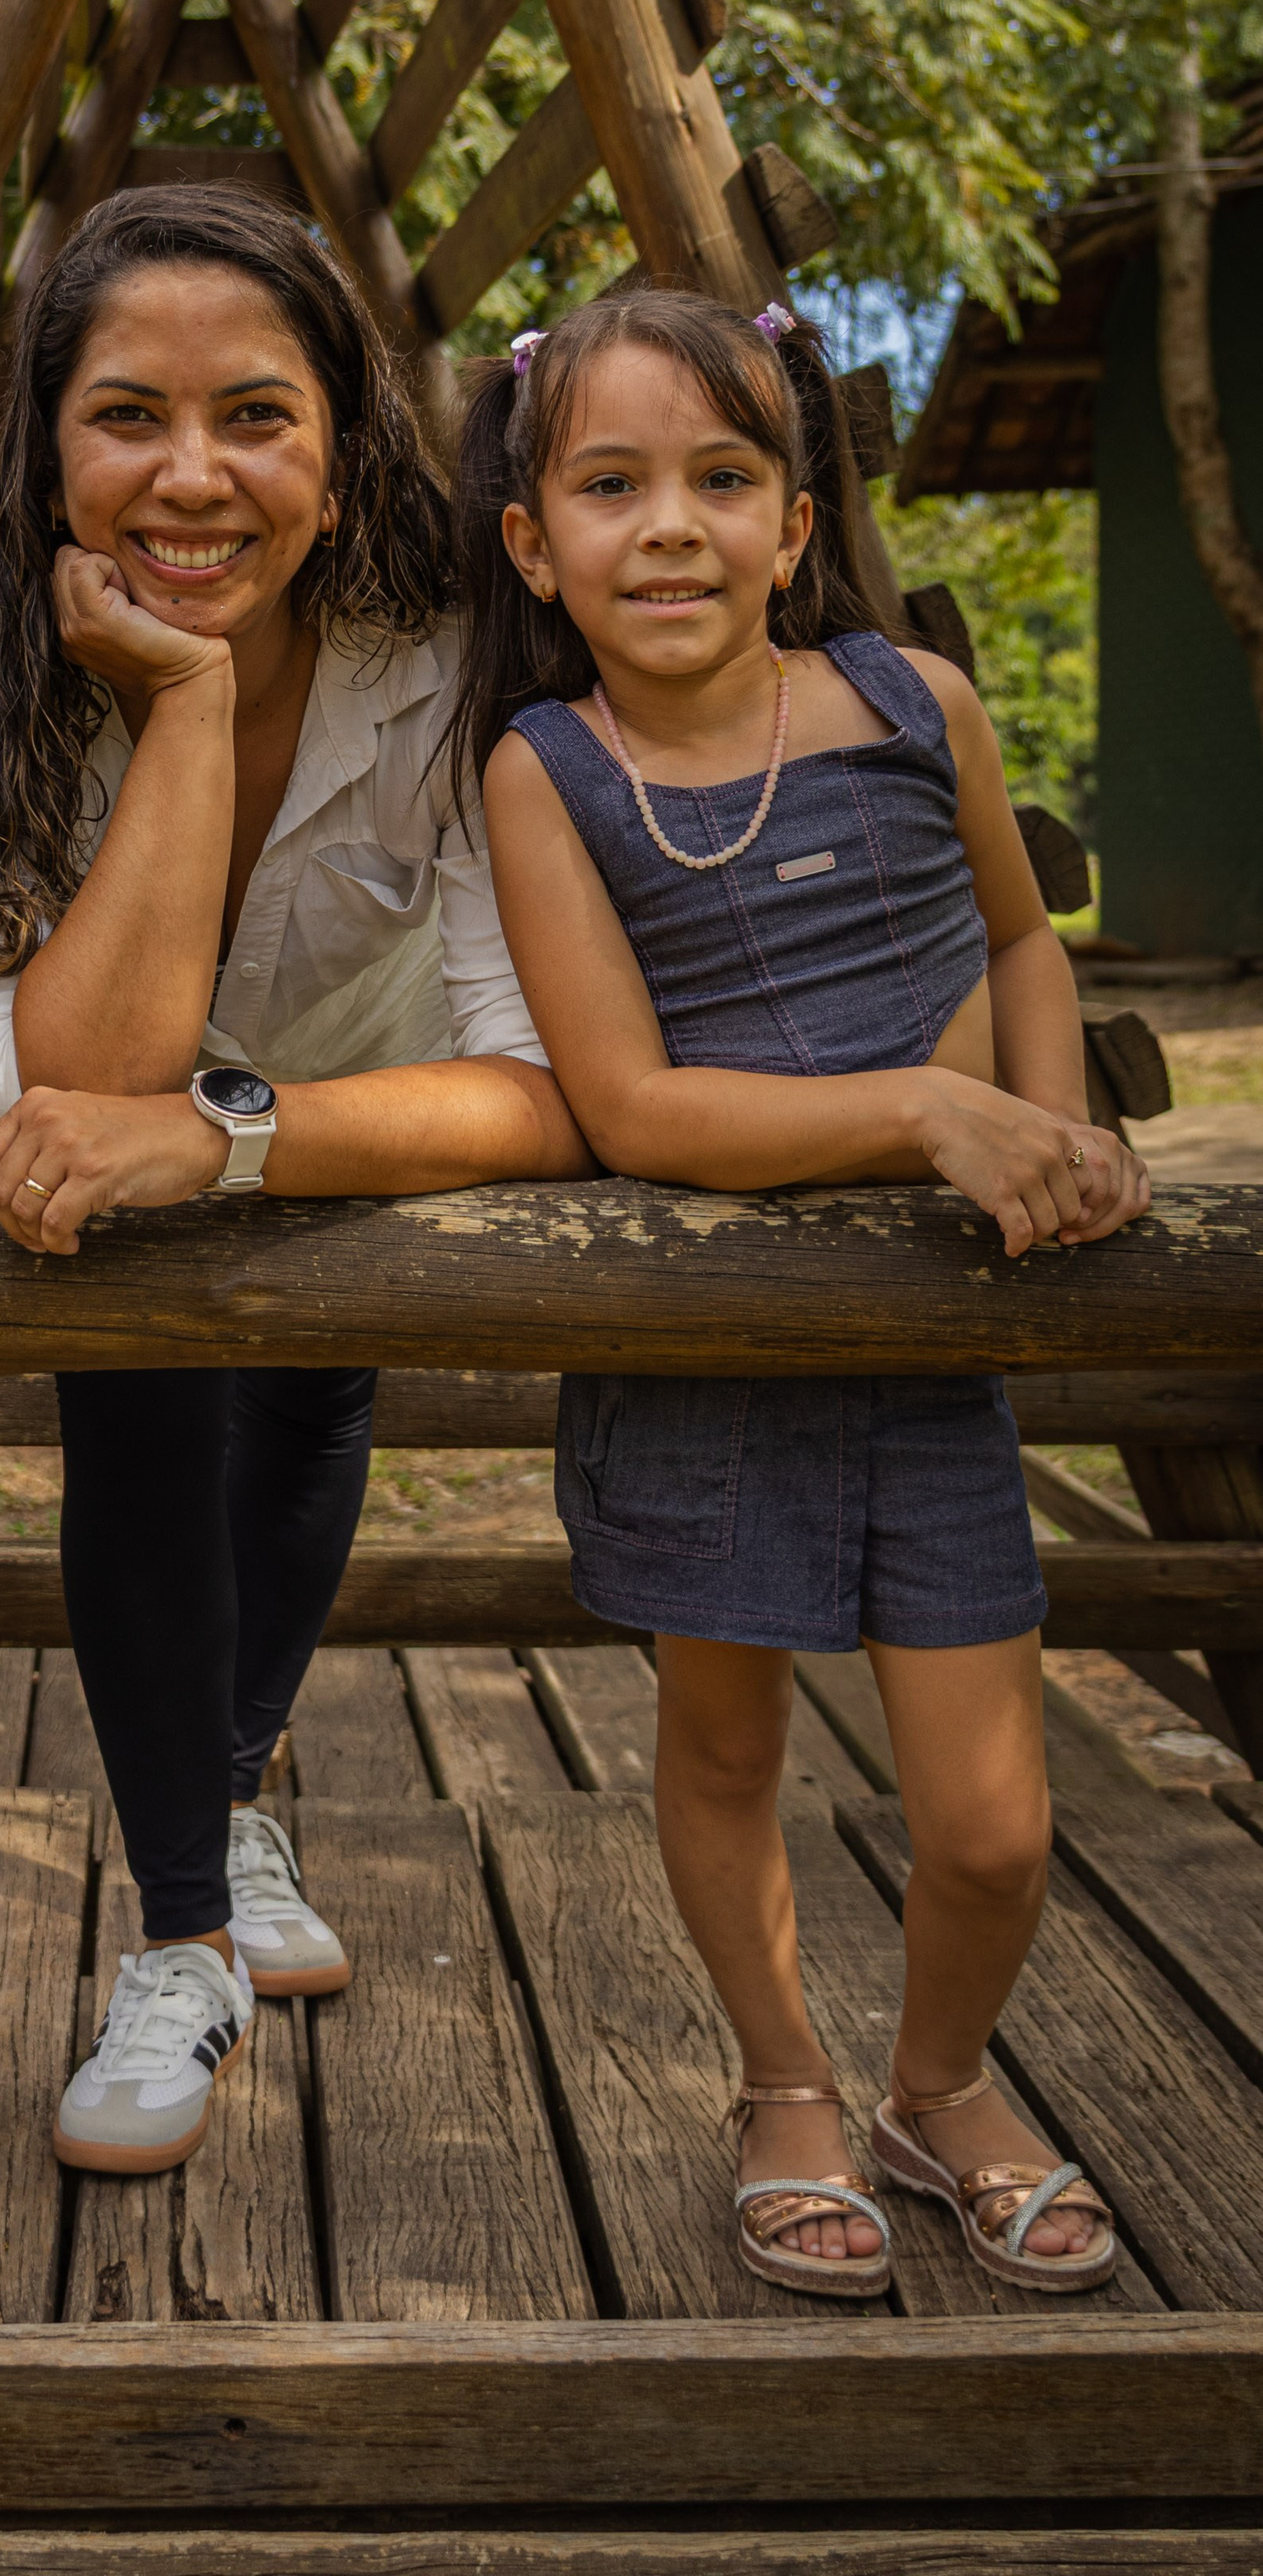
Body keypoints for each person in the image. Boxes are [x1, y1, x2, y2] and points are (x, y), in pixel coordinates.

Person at [0, 186, 589, 2177]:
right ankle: (181, 1933)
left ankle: (228, 1785)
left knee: (308, 1403)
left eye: (254, 418)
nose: (190, 479)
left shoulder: (455, 646)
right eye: (125, 418)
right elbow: (56, 1094)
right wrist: (185, 710)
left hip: (360, 1107)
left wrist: (239, 1136)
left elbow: (534, 1083)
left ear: (340, 434)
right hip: (99, 1133)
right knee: (136, 1375)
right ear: (41, 442)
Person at [459, 283, 1147, 2297]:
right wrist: (930, 1116)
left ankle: (937, 2087)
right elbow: (633, 1105)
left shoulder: (915, 702)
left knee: (991, 1822)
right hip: (704, 1353)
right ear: (531, 543)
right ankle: (781, 2085)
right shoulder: (542, 767)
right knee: (726, 1751)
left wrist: (1039, 1120)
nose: (666, 526)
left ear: (791, 516)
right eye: (608, 485)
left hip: (934, 1348)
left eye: (719, 478)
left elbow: (1020, 935)